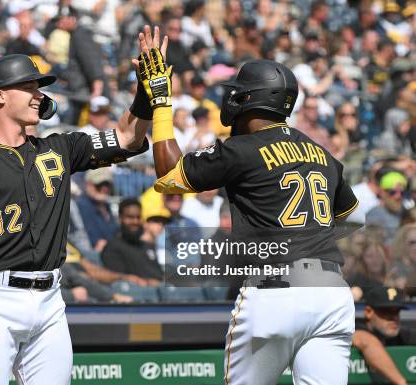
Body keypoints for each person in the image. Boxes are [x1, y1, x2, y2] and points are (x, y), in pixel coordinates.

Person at [138, 26, 359, 384]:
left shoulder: (242, 149)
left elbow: (168, 175)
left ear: (247, 99)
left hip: (274, 293)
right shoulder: (323, 154)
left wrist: (162, 102)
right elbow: (352, 218)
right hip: (332, 294)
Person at [0, 50, 150, 384]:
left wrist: (145, 93)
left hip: (50, 298)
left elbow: (127, 138)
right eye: (30, 87)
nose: (40, 95)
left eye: (39, 88)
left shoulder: (59, 147)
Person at [352, 286, 414, 385]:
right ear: (369, 312)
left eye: (396, 311)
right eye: (387, 311)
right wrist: (401, 382)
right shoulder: (354, 326)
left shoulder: (401, 335)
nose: (393, 318)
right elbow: (366, 342)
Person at [101, 198, 163, 283]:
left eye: (138, 217)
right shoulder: (112, 248)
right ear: (120, 218)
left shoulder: (148, 246)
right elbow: (120, 282)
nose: (135, 221)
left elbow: (159, 276)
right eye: (130, 217)